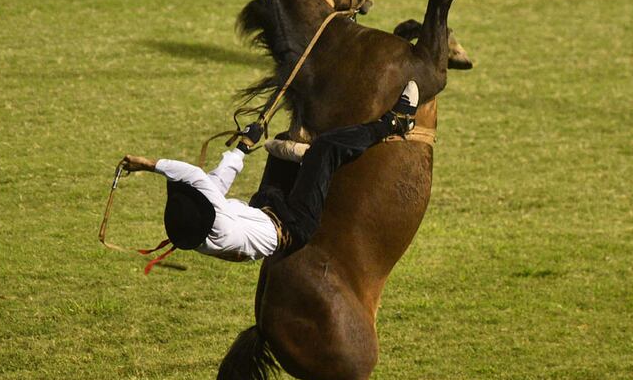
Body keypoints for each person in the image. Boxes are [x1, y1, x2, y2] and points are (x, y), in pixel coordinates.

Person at [121, 81, 418, 270]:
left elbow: (214, 184)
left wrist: (242, 148)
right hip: (295, 224)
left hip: (264, 207)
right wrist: (148, 164)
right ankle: (395, 122)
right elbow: (196, 177)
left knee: (280, 142)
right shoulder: (219, 222)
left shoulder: (203, 232)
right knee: (324, 150)